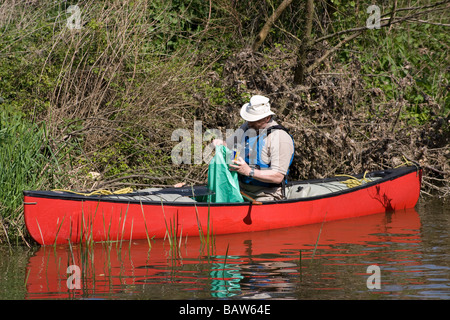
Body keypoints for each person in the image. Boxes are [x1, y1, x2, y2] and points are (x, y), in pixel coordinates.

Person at [214, 95, 294, 201]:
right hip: (239, 190)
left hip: (266, 195)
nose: (249, 122)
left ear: (267, 118)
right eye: (248, 119)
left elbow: (278, 176)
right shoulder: (247, 127)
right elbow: (230, 147)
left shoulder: (280, 138)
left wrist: (248, 171)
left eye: (254, 120)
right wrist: (220, 144)